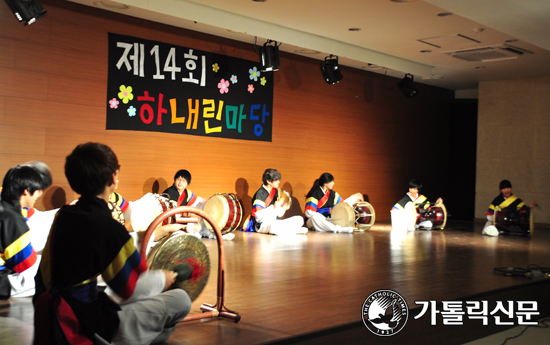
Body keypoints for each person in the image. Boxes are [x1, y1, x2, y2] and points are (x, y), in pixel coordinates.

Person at [33, 142, 191, 345]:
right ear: (113, 179)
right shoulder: (109, 228)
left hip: (48, 314)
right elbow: (129, 288)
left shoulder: (63, 215)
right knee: (180, 300)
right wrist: (164, 278)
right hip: (82, 323)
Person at [0, 165, 41, 300]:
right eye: (38, 191)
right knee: (48, 273)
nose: (39, 195)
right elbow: (25, 264)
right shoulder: (12, 218)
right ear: (26, 191)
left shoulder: (4, 203)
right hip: (2, 281)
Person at [243, 168, 307, 235]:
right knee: (273, 227)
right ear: (268, 181)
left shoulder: (275, 192)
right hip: (262, 224)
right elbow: (258, 216)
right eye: (276, 180)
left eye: (278, 179)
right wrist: (273, 207)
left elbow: (279, 214)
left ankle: (290, 230)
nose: (279, 182)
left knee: (299, 219)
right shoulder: (260, 193)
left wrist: (284, 207)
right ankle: (294, 230)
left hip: (275, 221)